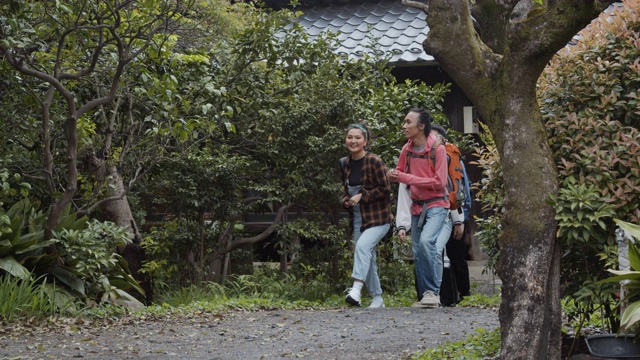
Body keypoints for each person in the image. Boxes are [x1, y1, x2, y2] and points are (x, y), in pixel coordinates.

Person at [388, 108, 450, 307]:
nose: (404, 126)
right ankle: (426, 296)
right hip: (417, 205)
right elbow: (400, 172)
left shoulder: (438, 148)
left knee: (426, 243)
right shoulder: (407, 149)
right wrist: (393, 174)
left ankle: (432, 292)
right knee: (417, 251)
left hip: (437, 204)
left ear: (421, 126)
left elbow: (440, 182)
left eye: (408, 122)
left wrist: (405, 178)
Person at [339, 122, 391, 308]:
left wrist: (363, 195)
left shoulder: (375, 161)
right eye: (350, 137)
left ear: (365, 141)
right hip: (357, 219)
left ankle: (356, 289)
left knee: (361, 247)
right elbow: (345, 190)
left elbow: (386, 189)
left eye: (357, 137)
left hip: (378, 219)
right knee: (365, 256)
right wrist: (346, 200)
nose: (353, 141)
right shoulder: (344, 163)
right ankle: (377, 298)